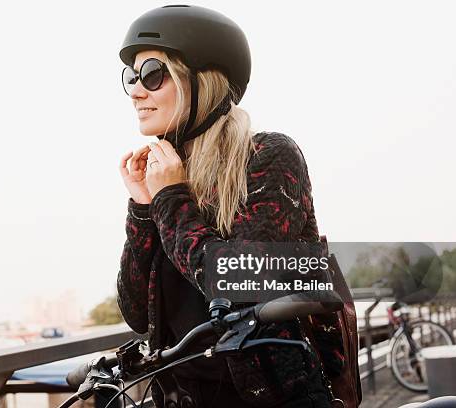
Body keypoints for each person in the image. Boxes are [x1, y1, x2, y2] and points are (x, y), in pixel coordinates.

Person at [116, 5, 345, 408]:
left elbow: (241, 282)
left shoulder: (268, 156)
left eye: (152, 73)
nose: (136, 90)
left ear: (203, 80)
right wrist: (142, 207)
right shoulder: (166, 178)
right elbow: (137, 314)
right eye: (131, 78)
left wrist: (169, 201)